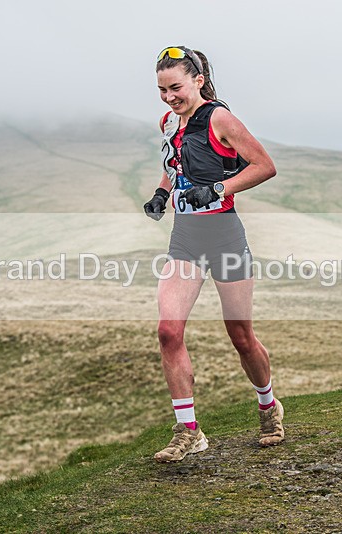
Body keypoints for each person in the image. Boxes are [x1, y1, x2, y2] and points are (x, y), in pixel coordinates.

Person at [143, 46, 281, 463]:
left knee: (240, 336)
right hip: (185, 238)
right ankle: (189, 430)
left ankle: (268, 406)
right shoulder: (169, 122)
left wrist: (218, 189)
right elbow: (175, 162)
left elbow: (264, 166)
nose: (169, 97)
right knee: (169, 331)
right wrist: (161, 193)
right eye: (162, 89)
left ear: (198, 81)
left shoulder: (221, 118)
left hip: (224, 237)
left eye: (176, 87)